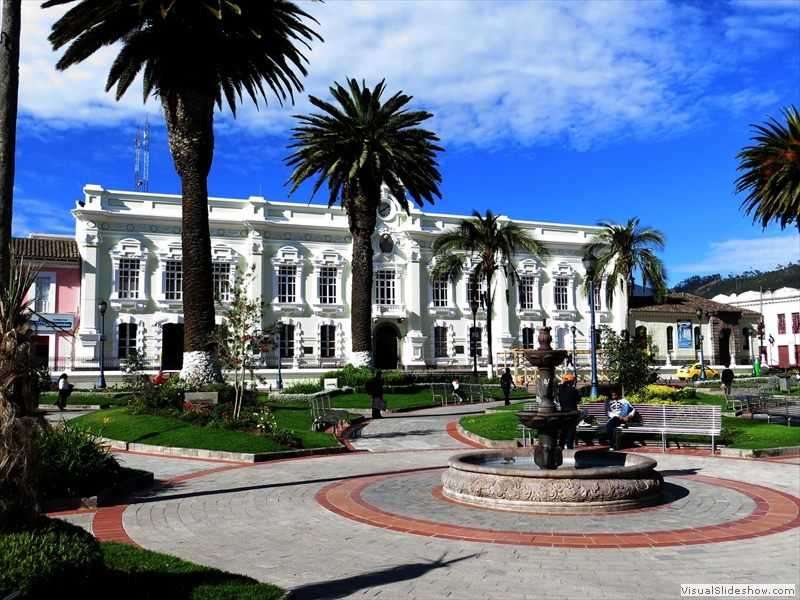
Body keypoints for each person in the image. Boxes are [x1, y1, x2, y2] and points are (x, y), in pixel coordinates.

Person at [557, 372, 581, 449]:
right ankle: (569, 445)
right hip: (572, 412)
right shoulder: (573, 390)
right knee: (571, 429)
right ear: (572, 382)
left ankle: (561, 445)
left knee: (563, 429)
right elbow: (578, 400)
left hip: (563, 412)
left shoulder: (560, 390)